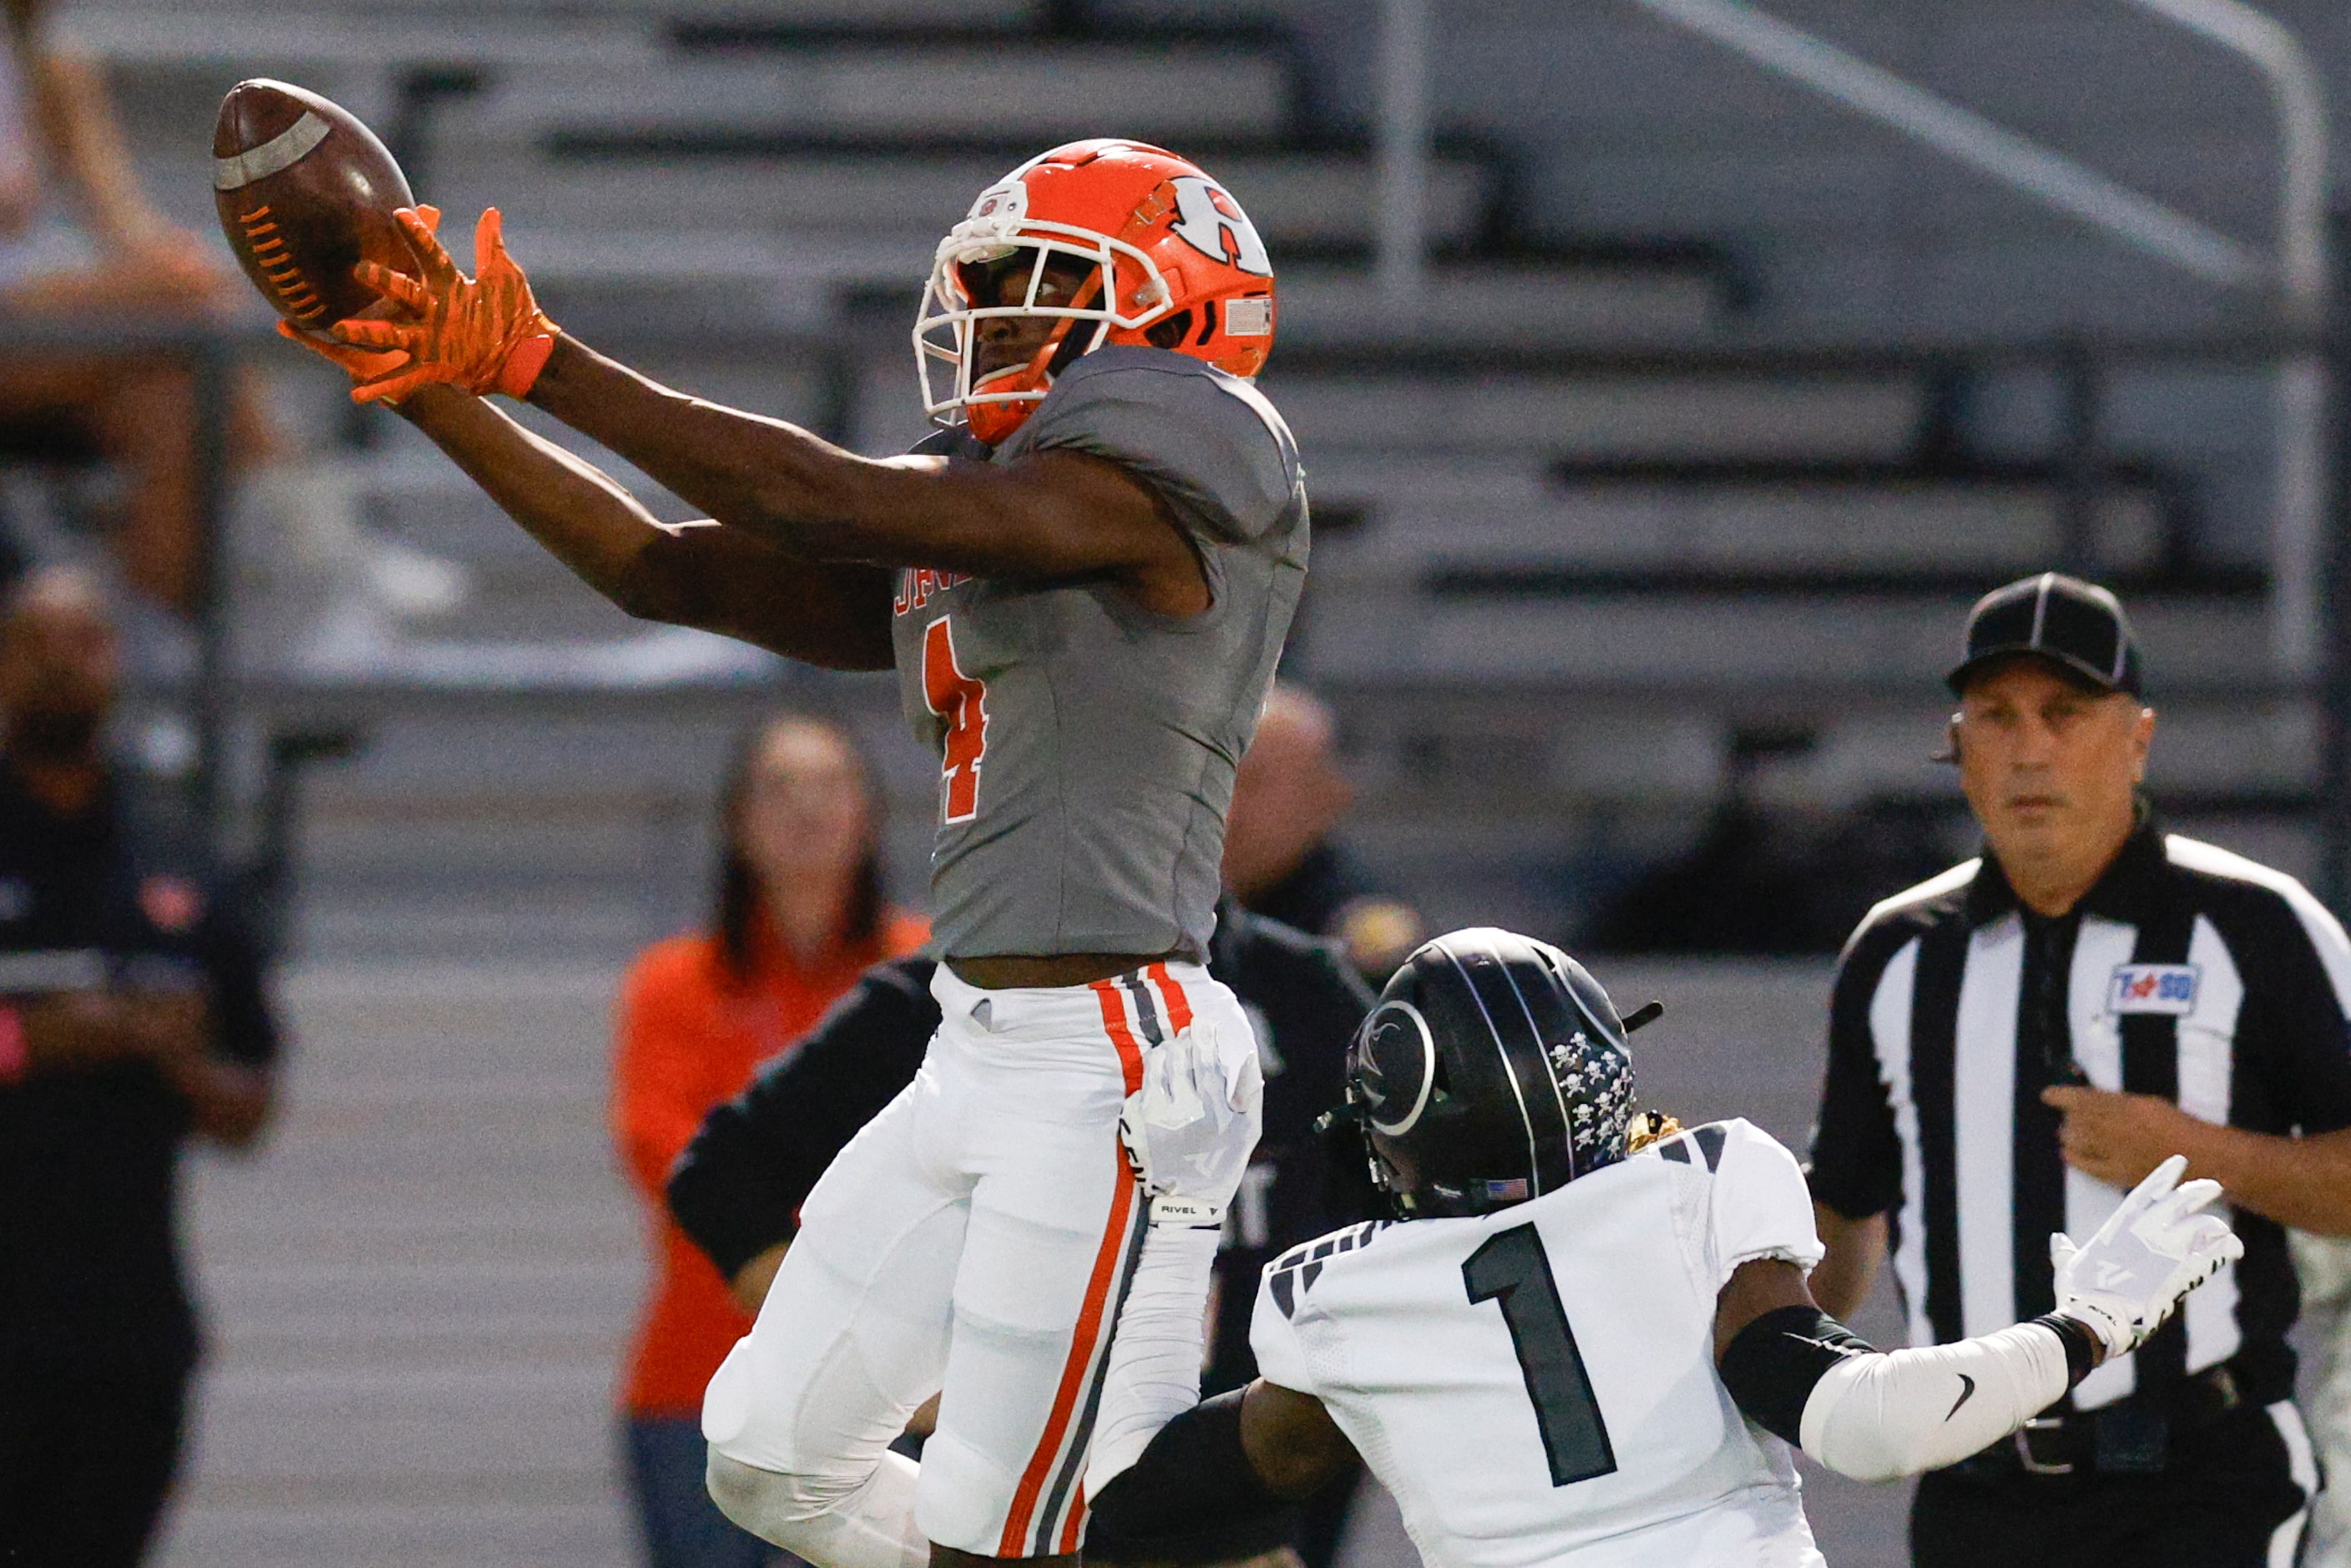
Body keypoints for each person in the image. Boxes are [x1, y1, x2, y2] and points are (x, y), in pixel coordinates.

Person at [278, 138, 1302, 1568]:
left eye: (1040, 287)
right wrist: (429, 385)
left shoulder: (1192, 452)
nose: (997, 321)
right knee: (770, 1460)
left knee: (999, 1534)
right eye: (987, 290)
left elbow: (824, 498)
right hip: (981, 1037)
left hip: (1113, 1063)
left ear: (1172, 309)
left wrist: (540, 358)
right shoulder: (997, 508)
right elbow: (662, 567)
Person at [1075, 928, 2238, 1568]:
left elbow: (1130, 1497)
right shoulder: (1704, 1181)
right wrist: (2086, 1321)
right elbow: (1862, 1421)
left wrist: (1180, 1208)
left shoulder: (1339, 1298)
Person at [1807, 572, 2351, 1566]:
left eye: (2063, 713)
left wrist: (2197, 1153)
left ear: (2136, 737)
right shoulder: (1895, 953)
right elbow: (1838, 1223)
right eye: (1996, 714)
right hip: (1973, 1486)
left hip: (2202, 1483)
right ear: (1957, 742)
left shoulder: (2252, 925)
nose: (2028, 748)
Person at [665, 896, 1378, 1567]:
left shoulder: (1299, 988)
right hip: (1004, 1480)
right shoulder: (959, 1003)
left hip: (1231, 1490)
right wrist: (910, 1390)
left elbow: (1413, 1210)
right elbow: (721, 1180)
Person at [0, 566, 281, 1565]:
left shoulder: (178, 856)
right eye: (37, 643)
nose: (62, 668)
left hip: (126, 1333)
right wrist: (33, 1041)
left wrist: (180, 1058)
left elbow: (251, 1105)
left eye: (88, 642)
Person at [614, 714, 928, 1568]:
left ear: (867, 814)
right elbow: (664, 1155)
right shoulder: (671, 984)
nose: (807, 809)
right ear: (735, 822)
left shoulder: (931, 974)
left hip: (888, 1390)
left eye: (830, 785)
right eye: (778, 788)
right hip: (700, 1377)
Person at [0, 0, 265, 614]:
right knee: (190, 297)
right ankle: (314, 537)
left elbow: (128, 229)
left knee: (176, 407)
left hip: (36, 331)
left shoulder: (48, 69)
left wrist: (166, 271)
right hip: (20, 323)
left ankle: (149, 665)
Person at [1221, 685, 1420, 981]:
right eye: (1215, 781)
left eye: (1252, 782)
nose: (1228, 807)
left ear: (1325, 796)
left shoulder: (1358, 940)